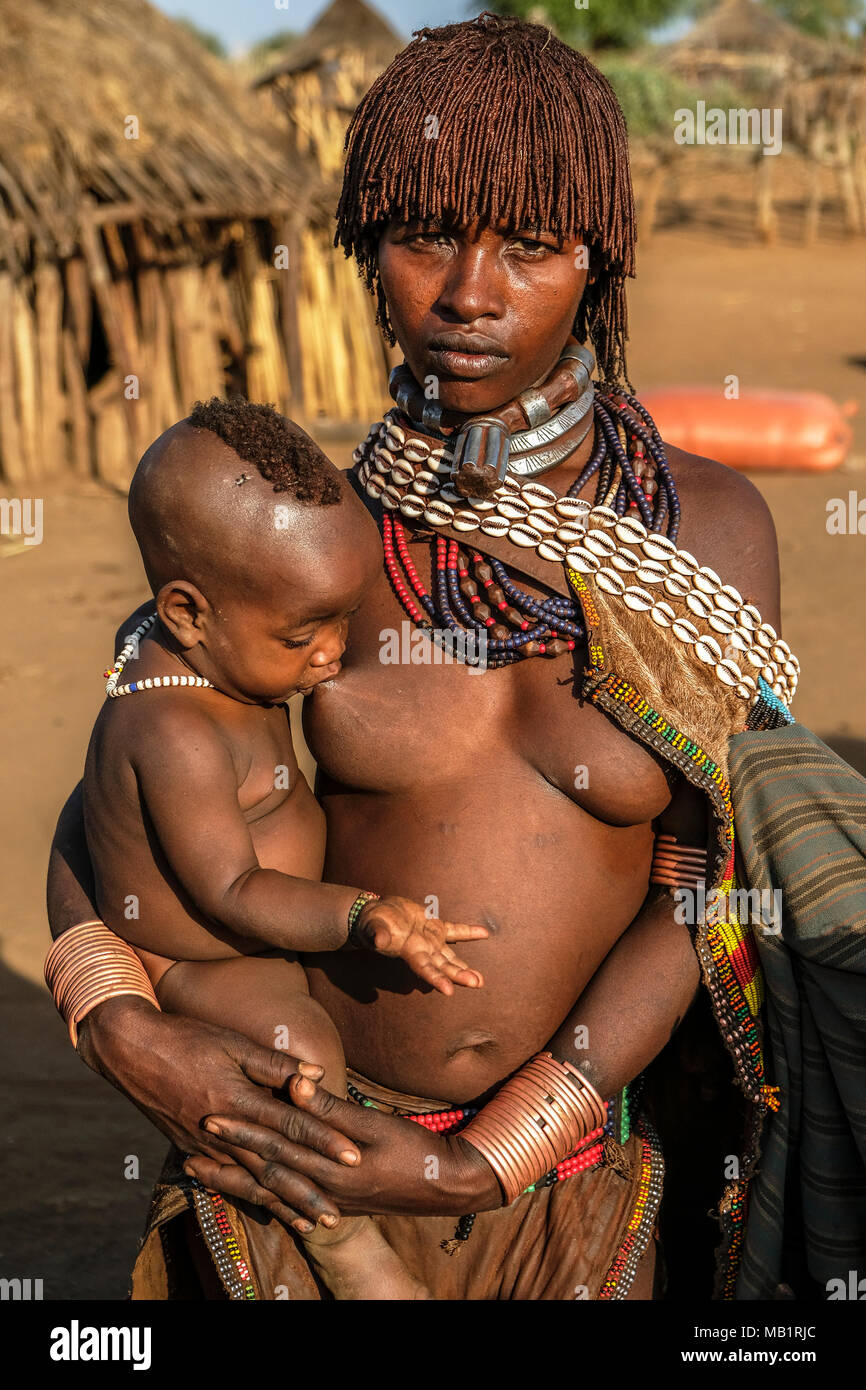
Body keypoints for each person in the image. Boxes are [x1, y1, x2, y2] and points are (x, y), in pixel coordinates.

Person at [46, 14, 793, 1300]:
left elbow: (707, 877)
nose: (468, 294)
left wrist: (489, 1157)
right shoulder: (299, 545)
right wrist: (121, 1026)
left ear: (600, 260)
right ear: (363, 246)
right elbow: (109, 815)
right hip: (296, 1156)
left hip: (570, 1185)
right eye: (423, 236)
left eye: (532, 246)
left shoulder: (703, 531)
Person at [76, 398, 498, 1300]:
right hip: (207, 955)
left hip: (249, 917)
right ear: (188, 611)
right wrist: (362, 916)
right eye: (304, 635)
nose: (334, 656)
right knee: (297, 1051)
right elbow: (230, 888)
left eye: (343, 619)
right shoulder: (178, 732)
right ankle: (344, 1244)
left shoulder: (182, 644)